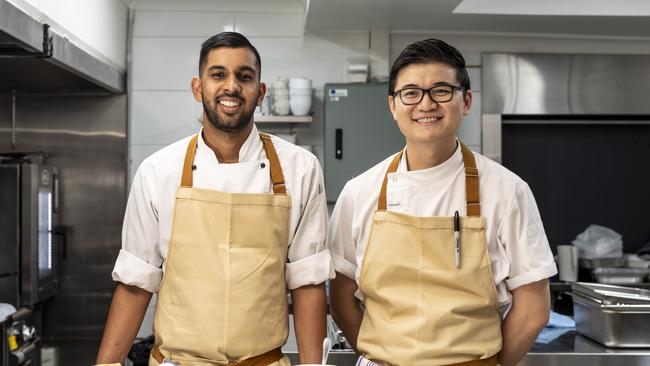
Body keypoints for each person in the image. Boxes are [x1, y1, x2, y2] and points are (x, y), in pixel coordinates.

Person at [96, 32, 332, 366]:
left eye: (245, 76)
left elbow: (308, 284)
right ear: (198, 87)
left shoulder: (300, 169)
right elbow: (136, 281)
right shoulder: (158, 171)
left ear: (260, 92)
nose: (232, 86)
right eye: (218, 74)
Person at [328, 38, 557, 366]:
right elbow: (341, 299)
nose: (425, 104)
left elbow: (534, 309)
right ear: (393, 106)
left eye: (441, 90)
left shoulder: (508, 191)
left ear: (466, 101)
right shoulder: (359, 192)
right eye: (411, 93)